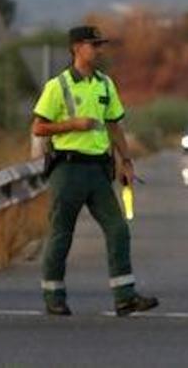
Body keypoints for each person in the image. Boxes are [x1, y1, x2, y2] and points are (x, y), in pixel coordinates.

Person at [32, 25, 158, 317]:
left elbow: (114, 124)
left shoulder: (104, 84)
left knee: (118, 230)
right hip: (68, 169)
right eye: (93, 45)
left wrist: (126, 161)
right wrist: (71, 125)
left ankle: (125, 297)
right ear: (76, 47)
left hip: (98, 171)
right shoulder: (58, 85)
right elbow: (38, 127)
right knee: (61, 234)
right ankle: (54, 297)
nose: (98, 50)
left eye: (100, 45)